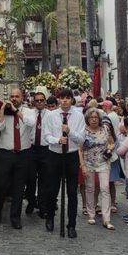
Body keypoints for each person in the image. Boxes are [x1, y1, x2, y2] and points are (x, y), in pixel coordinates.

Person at [42, 88, 85, 237]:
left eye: (68, 98)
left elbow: (81, 138)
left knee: (72, 192)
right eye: (62, 98)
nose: (65, 100)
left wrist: (70, 132)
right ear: (59, 99)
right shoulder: (51, 116)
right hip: (55, 155)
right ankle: (50, 217)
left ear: (72, 100)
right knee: (52, 189)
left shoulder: (79, 116)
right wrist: (57, 140)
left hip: (71, 156)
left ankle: (71, 225)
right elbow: (47, 135)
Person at [0, 88, 35, 229]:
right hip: (6, 153)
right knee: (1, 184)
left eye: (17, 96)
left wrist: (17, 112)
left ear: (22, 97)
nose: (14, 99)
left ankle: (15, 217)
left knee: (19, 187)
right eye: (12, 96)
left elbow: (30, 123)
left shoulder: (28, 111)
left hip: (23, 153)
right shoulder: (4, 111)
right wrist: (3, 110)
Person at [81, 107, 116, 230]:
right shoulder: (83, 131)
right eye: (91, 118)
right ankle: (91, 214)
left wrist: (110, 148)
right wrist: (82, 165)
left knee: (105, 188)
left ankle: (107, 218)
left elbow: (112, 142)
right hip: (88, 162)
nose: (94, 120)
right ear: (87, 119)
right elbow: (80, 149)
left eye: (96, 117)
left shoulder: (105, 129)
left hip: (103, 162)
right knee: (90, 188)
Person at [25, 90, 49, 217]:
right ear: (33, 102)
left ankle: (42, 206)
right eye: (37, 100)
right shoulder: (29, 113)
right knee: (30, 178)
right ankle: (31, 201)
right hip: (31, 148)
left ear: (45, 102)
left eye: (41, 100)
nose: (39, 102)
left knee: (44, 179)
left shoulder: (50, 115)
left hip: (45, 149)